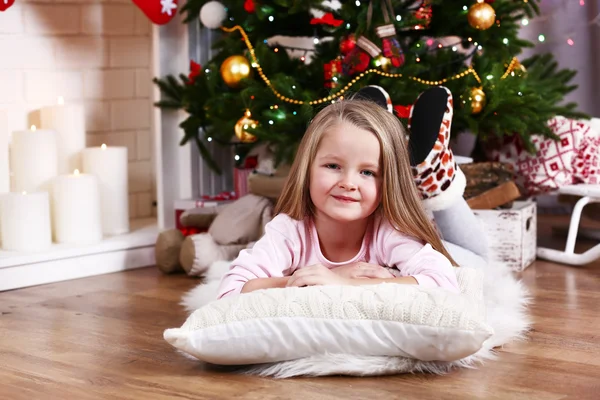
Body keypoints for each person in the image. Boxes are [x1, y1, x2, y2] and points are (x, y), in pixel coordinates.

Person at [216, 86, 474, 299]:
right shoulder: (289, 230)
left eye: (368, 172)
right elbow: (230, 290)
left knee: (477, 261)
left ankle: (435, 178)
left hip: (455, 248)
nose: (348, 183)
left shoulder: (388, 229)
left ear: (387, 183)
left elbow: (445, 284)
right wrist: (318, 280)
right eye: (333, 166)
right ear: (307, 169)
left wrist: (347, 284)